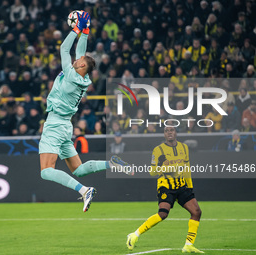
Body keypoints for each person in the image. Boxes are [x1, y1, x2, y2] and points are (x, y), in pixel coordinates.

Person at [39, 11, 131, 213]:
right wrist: (86, 32)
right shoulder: (84, 78)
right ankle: (111, 163)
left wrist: (76, 29)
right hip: (65, 125)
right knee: (78, 169)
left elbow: (64, 48)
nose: (76, 59)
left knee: (46, 171)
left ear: (81, 65)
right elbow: (80, 53)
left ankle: (84, 190)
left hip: (55, 124)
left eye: (79, 60)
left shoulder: (72, 75)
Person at [126, 127, 203, 253]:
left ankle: (188, 245)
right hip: (166, 186)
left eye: (172, 130)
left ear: (176, 132)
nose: (169, 132)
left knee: (196, 212)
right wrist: (163, 167)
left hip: (182, 186)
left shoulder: (184, 148)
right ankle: (134, 235)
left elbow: (187, 168)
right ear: (164, 134)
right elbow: (152, 172)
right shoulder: (158, 150)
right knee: (163, 214)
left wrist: (189, 187)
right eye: (167, 131)